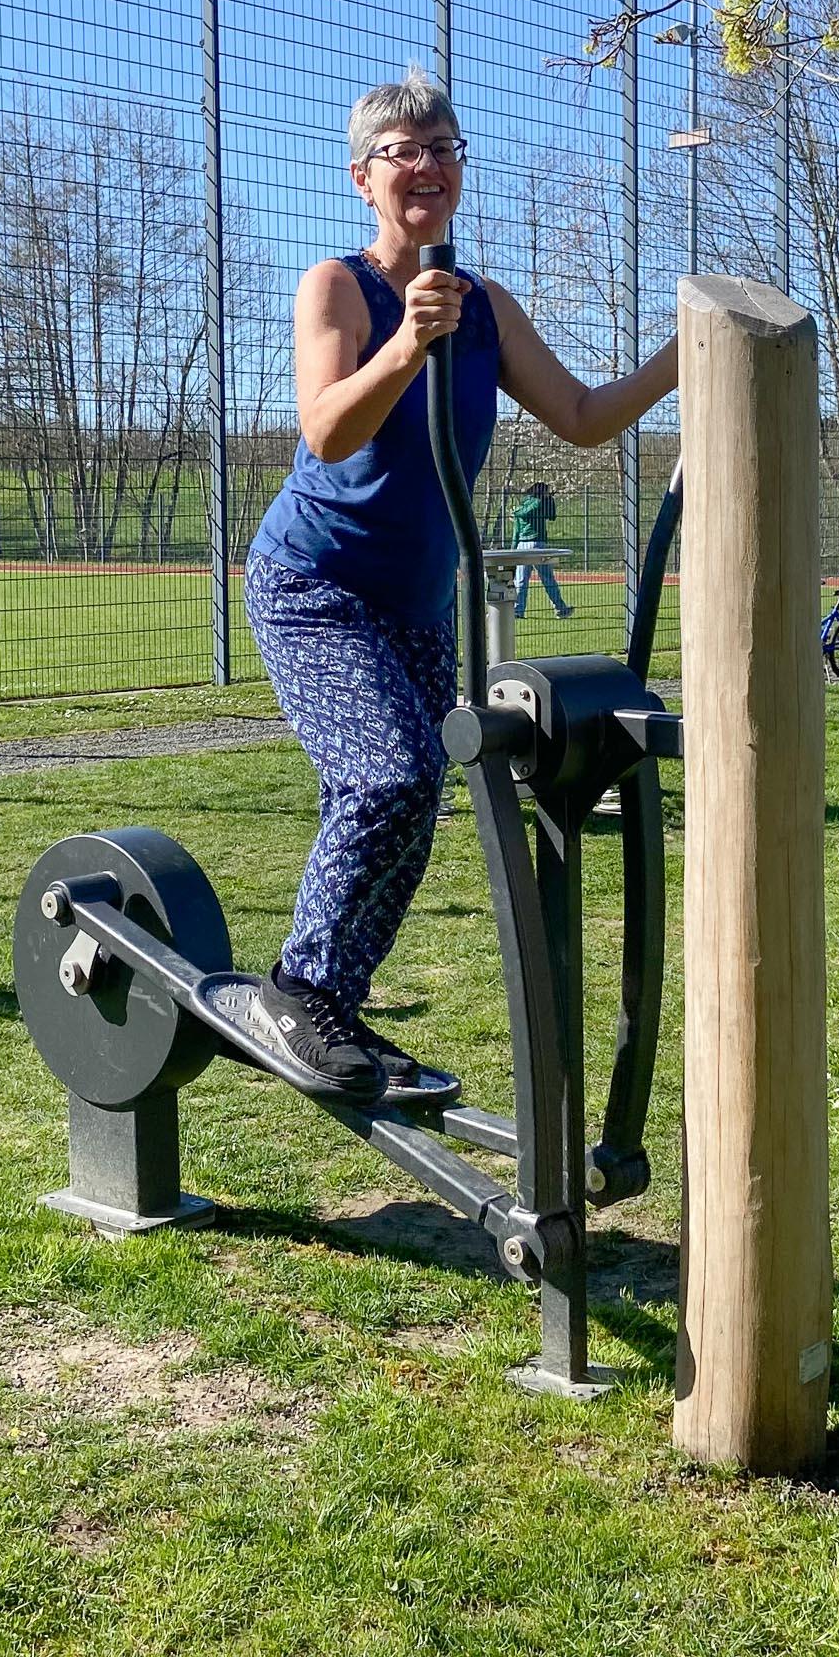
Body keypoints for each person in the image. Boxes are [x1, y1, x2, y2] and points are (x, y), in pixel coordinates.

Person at [241, 67, 677, 1105]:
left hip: (417, 601)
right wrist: (407, 340)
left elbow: (581, 415)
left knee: (412, 792)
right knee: (387, 778)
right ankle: (297, 992)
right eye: (405, 151)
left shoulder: (485, 307)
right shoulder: (337, 286)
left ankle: (333, 1003)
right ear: (364, 178)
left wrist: (687, 356)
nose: (429, 165)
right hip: (315, 585)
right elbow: (326, 428)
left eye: (444, 147)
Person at [511, 480, 572, 620]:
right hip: (537, 543)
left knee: (521, 579)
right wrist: (548, 499)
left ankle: (518, 610)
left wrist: (513, 548)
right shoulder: (538, 503)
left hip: (522, 545)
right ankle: (560, 608)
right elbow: (550, 515)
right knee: (547, 578)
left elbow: (517, 529)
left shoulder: (524, 504)